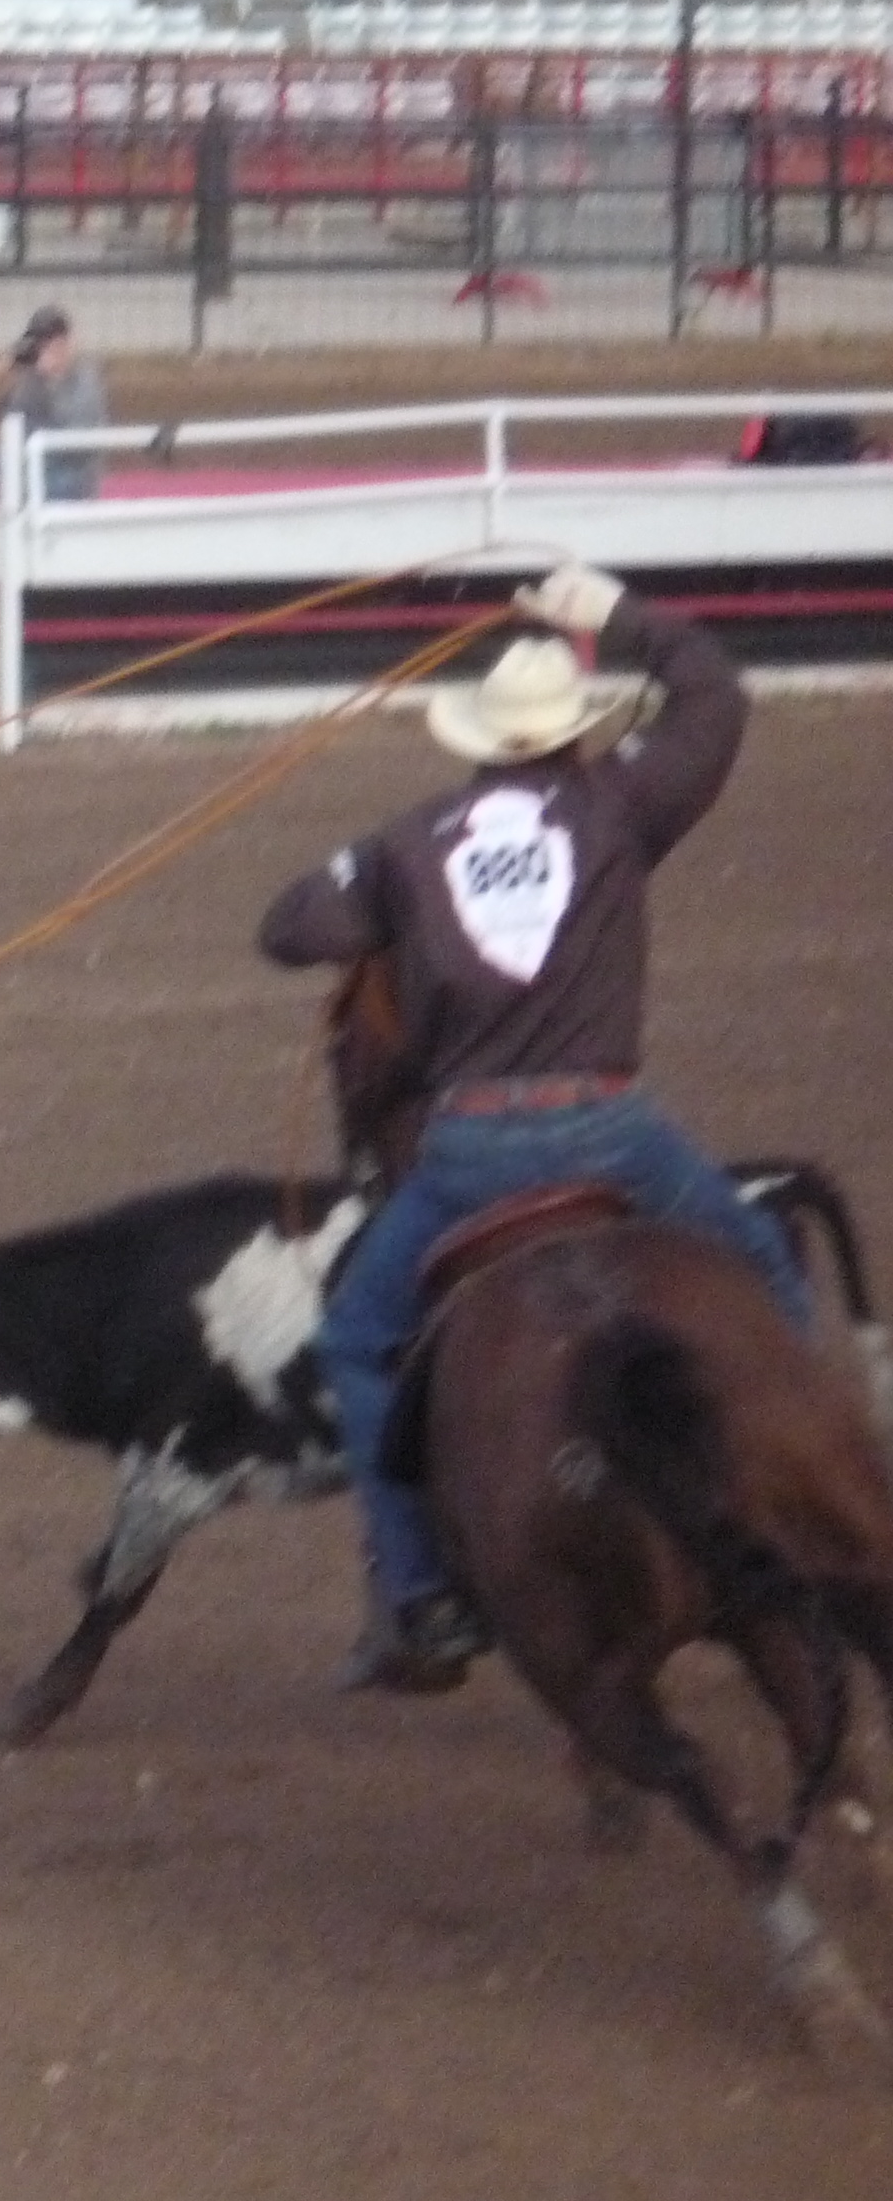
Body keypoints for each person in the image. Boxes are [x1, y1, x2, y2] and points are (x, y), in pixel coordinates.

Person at [258, 561, 812, 1696]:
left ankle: (415, 1587)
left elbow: (290, 927)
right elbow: (713, 691)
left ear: (478, 741)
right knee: (757, 1261)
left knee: (362, 1340)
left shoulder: (412, 846)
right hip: (613, 1133)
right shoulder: (619, 807)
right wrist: (610, 614)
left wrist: (350, 874)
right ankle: (808, 1488)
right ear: (572, 732)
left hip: (466, 1154)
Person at [0, 305, 108, 502]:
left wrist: (52, 384)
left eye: (53, 344)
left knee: (19, 481)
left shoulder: (86, 379)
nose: (49, 351)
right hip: (30, 463)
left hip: (71, 474)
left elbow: (76, 440)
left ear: (67, 343)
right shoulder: (32, 380)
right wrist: (7, 382)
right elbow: (7, 421)